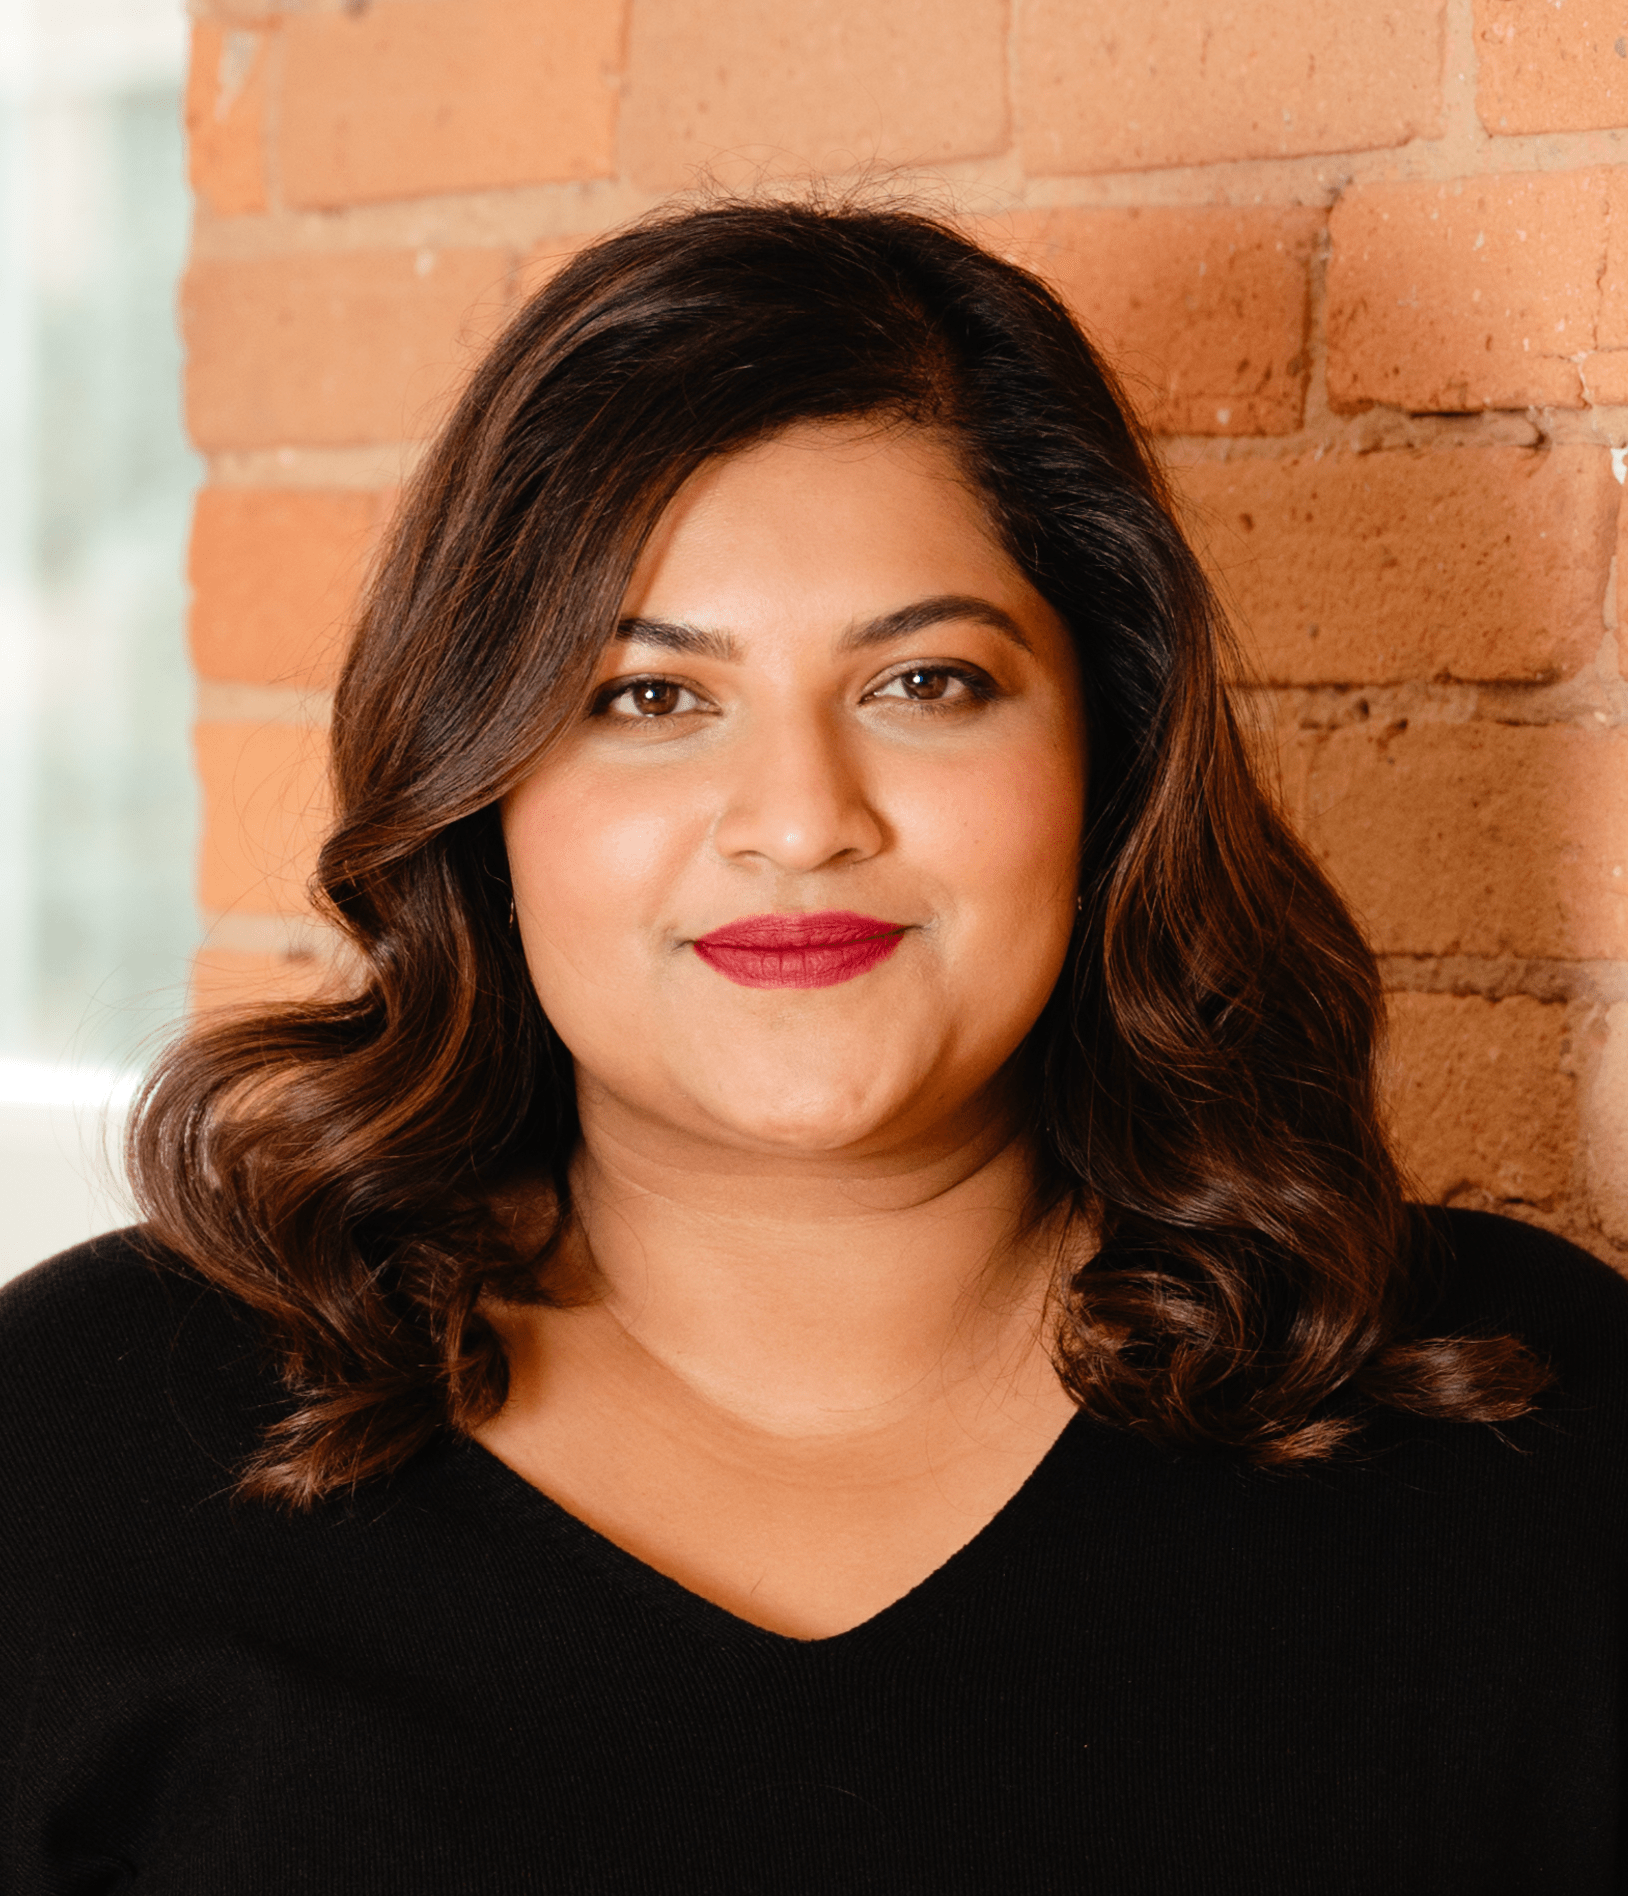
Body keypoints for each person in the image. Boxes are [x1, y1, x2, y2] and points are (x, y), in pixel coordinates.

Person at [1, 197, 1622, 1895]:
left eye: (925, 683)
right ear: (486, 801)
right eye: (648, 699)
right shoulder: (79, 1455)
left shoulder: (1526, 1439)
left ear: (1110, 757)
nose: (797, 822)